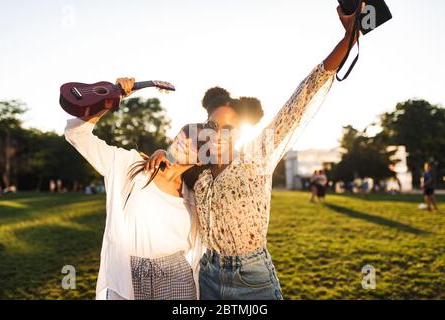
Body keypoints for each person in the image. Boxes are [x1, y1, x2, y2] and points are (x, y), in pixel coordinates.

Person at [148, 4, 366, 300]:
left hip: (252, 279)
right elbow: (164, 173)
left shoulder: (257, 158)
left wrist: (349, 37)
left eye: (230, 127)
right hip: (208, 275)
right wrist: (162, 150)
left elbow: (303, 96)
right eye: (213, 124)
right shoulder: (196, 174)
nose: (220, 133)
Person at [64, 78, 204, 300]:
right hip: (126, 277)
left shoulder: (196, 197)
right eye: (184, 133)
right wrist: (110, 99)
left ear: (201, 160)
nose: (183, 141)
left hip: (177, 280)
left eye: (195, 143)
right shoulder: (132, 166)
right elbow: (76, 135)